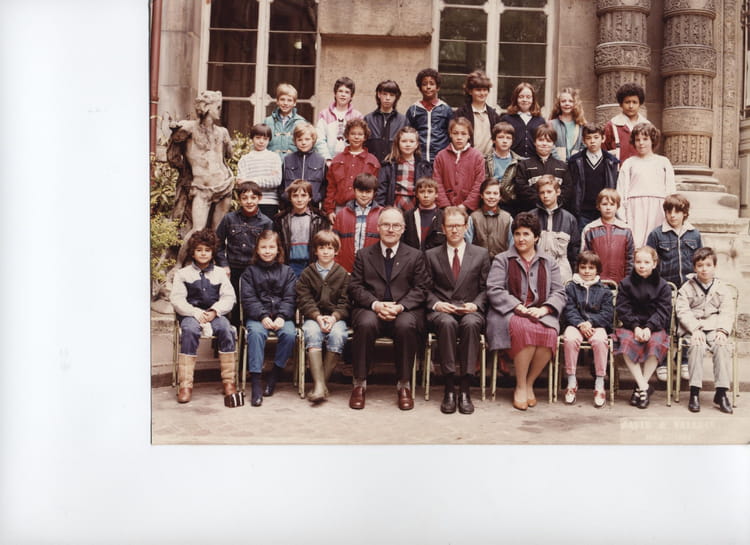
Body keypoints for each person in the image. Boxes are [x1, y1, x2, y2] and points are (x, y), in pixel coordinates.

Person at [347, 207, 431, 411]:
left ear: (403, 229)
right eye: (386, 225)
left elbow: (422, 288)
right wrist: (376, 305)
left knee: (406, 326)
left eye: (395, 225)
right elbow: (355, 287)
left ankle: (404, 385)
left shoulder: (415, 255)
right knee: (365, 323)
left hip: (403, 310)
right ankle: (359, 384)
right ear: (378, 227)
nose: (390, 229)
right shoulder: (364, 255)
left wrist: (400, 307)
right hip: (371, 308)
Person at [486, 212, 566, 411]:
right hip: (508, 312)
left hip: (540, 312)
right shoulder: (502, 259)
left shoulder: (549, 261)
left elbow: (559, 292)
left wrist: (545, 309)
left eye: (526, 234)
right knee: (525, 329)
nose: (521, 239)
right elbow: (494, 289)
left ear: (536, 237)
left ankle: (530, 383)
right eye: (517, 234)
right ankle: (520, 385)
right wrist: (516, 306)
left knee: (549, 332)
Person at [425, 207, 490, 414]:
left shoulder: (480, 254)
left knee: (471, 324)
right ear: (443, 228)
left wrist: (476, 305)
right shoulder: (431, 255)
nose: (454, 230)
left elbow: (487, 288)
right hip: (442, 310)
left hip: (470, 308)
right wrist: (437, 304)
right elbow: (424, 289)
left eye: (458, 226)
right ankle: (449, 387)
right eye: (450, 226)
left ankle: (465, 388)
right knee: (447, 323)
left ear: (466, 227)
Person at [170, 229, 237, 404]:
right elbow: (177, 299)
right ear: (192, 252)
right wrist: (195, 312)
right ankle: (186, 385)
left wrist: (215, 311)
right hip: (190, 315)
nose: (203, 253)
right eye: (199, 250)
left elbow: (229, 297)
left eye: (207, 250)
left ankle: (229, 381)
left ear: (213, 252)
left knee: (226, 329)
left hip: (214, 314)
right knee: (189, 331)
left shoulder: (220, 273)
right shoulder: (183, 274)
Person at [167, 90, 234, 265]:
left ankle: (213, 267)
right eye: (217, 107)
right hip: (201, 188)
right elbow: (173, 156)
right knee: (197, 230)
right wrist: (176, 132)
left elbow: (229, 155)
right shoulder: (189, 128)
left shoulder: (222, 132)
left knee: (217, 232)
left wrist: (227, 143)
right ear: (206, 107)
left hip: (224, 185)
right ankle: (178, 266)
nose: (220, 111)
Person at [646, 193, 703, 382]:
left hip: (688, 288)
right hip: (665, 288)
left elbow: (700, 260)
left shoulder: (694, 234)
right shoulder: (656, 234)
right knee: (664, 323)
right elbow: (650, 262)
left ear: (685, 213)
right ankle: (661, 361)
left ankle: (684, 359)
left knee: (686, 322)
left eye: (677, 211)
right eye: (669, 211)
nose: (672, 215)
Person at [240, 230, 297, 407]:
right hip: (258, 317)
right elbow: (248, 298)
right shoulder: (250, 272)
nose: (267, 251)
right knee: (256, 334)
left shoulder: (287, 272)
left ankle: (275, 374)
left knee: (289, 334)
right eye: (263, 247)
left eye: (271, 247)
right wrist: (262, 315)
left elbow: (290, 298)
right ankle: (256, 382)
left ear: (278, 249)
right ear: (257, 250)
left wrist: (282, 316)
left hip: (281, 317)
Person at [675, 247, 735, 414]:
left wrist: (722, 330)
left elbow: (727, 311)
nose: (704, 269)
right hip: (693, 328)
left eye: (708, 265)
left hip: (715, 327)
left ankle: (721, 393)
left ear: (714, 267)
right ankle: (694, 392)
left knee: (722, 345)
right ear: (694, 267)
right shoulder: (687, 287)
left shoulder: (722, 288)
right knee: (697, 345)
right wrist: (694, 329)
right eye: (700, 265)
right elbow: (682, 311)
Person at [296, 230, 351, 403]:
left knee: (338, 334)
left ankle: (320, 385)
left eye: (330, 248)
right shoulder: (307, 273)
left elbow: (346, 302)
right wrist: (317, 317)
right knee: (312, 333)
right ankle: (320, 386)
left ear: (336, 251)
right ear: (315, 250)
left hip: (336, 319)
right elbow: (304, 299)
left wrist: (334, 317)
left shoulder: (343, 274)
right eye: (322, 248)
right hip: (314, 318)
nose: (326, 252)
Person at [614, 246, 672, 409]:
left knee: (656, 343)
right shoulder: (625, 284)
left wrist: (648, 328)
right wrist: (635, 327)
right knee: (626, 343)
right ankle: (644, 387)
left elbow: (663, 311)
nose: (642, 266)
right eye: (638, 262)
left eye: (646, 262)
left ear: (654, 264)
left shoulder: (663, 286)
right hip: (631, 326)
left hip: (654, 326)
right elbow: (623, 308)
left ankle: (640, 388)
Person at [215, 181, 273, 326]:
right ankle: (231, 334)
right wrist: (224, 265)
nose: (249, 201)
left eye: (253, 197)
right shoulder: (229, 219)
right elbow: (217, 243)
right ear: (239, 199)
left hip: (255, 270)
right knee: (233, 304)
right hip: (233, 269)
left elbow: (269, 248)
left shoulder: (266, 222)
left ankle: (249, 334)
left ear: (259, 198)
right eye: (244, 198)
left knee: (252, 304)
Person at [561, 251, 614, 408]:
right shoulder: (571, 287)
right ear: (577, 268)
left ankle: (599, 382)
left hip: (596, 325)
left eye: (591, 268)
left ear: (597, 270)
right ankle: (571, 380)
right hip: (576, 324)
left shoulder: (604, 290)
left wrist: (590, 323)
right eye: (583, 267)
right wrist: (580, 324)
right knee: (570, 339)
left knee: (600, 341)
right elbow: (569, 309)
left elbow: (607, 314)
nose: (587, 271)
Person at [616, 122, 676, 248]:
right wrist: (623, 217)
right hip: (635, 209)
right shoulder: (629, 163)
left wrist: (669, 211)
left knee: (656, 244)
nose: (641, 143)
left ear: (652, 140)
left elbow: (671, 191)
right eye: (637, 140)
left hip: (658, 209)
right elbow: (621, 191)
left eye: (645, 139)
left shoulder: (663, 162)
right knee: (636, 244)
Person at [322, 118, 380, 222]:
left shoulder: (372, 162)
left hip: (364, 209)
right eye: (353, 133)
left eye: (360, 134)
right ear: (347, 135)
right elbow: (331, 187)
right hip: (340, 208)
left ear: (365, 137)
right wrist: (330, 210)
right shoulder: (337, 160)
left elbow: (376, 190)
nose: (356, 137)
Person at [568, 122, 620, 233]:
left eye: (596, 137)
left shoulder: (611, 161)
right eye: (588, 138)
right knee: (583, 239)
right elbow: (572, 186)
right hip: (583, 211)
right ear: (583, 140)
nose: (592, 141)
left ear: (603, 138)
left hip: (604, 210)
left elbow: (614, 185)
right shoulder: (575, 161)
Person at [273, 179, 331, 277]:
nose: (299, 199)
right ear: (290, 198)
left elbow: (324, 243)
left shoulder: (320, 219)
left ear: (310, 197)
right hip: (289, 264)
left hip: (312, 264)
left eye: (303, 195)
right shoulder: (281, 219)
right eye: (295, 196)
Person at [513, 125, 574, 214]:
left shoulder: (562, 166)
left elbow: (567, 189)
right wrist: (541, 201)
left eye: (548, 141)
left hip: (556, 212)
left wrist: (553, 203)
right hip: (531, 212)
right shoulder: (524, 165)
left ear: (553, 143)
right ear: (534, 142)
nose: (544, 144)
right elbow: (521, 188)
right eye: (541, 140)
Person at [532, 174, 580, 282]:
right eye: (542, 192)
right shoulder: (531, 217)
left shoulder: (569, 219)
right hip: (535, 271)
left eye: (549, 192)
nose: (545, 196)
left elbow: (574, 252)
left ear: (558, 192)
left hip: (561, 274)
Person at [332, 172, 383, 272]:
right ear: (354, 190)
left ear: (374, 193)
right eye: (360, 191)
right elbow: (334, 242)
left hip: (373, 267)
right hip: (346, 266)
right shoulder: (342, 214)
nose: (364, 195)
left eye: (368, 192)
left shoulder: (382, 214)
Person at [581, 188, 634, 283]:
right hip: (595, 282)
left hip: (620, 283)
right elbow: (584, 258)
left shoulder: (626, 230)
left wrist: (628, 281)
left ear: (617, 206)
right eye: (604, 204)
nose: (608, 208)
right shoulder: (590, 229)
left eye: (612, 204)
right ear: (598, 206)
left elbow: (630, 259)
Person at [433, 117, 485, 212]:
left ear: (469, 135)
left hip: (469, 210)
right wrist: (446, 205)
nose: (459, 137)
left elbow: (479, 183)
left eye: (463, 133)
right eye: (455, 133)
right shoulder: (441, 156)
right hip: (445, 209)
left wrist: (465, 205)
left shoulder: (477, 157)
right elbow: (437, 182)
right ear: (450, 134)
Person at [376, 126, 432, 210]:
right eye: (404, 141)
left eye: (411, 141)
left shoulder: (424, 166)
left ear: (417, 144)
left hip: (415, 207)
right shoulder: (389, 165)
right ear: (398, 143)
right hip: (394, 206)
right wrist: (381, 208)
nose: (408, 144)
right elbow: (381, 191)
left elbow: (428, 189)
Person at [264, 82, 325, 159]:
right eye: (282, 99)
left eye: (289, 100)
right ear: (277, 101)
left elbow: (312, 145)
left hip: (294, 164)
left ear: (294, 103)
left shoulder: (301, 122)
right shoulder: (268, 122)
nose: (285, 103)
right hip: (271, 163)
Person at [405, 68, 454, 163]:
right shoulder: (413, 109)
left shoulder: (445, 109)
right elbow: (408, 133)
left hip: (440, 159)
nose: (428, 87)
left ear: (437, 87)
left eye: (432, 84)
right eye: (424, 84)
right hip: (419, 158)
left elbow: (451, 134)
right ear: (420, 88)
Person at [236, 123, 283, 218]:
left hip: (270, 202)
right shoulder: (245, 159)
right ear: (252, 138)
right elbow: (241, 183)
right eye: (258, 138)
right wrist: (265, 179)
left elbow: (275, 181)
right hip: (250, 202)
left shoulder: (274, 158)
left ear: (269, 140)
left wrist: (250, 180)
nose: (261, 141)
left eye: (265, 139)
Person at [279, 122, 327, 210]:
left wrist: (317, 198)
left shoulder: (321, 161)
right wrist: (285, 197)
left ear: (313, 140)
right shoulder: (287, 160)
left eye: (307, 139)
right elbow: (281, 184)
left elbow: (325, 185)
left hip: (313, 207)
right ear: (295, 141)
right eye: (300, 140)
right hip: (290, 207)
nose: (303, 143)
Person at [454, 70, 502, 155]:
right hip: (468, 158)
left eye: (485, 90)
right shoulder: (461, 113)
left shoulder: (494, 115)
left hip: (489, 159)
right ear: (470, 91)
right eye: (478, 90)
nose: (482, 93)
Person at [316, 76, 363, 161]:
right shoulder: (324, 114)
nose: (343, 95)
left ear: (351, 96)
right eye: (340, 91)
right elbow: (320, 140)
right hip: (329, 160)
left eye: (347, 92)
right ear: (335, 93)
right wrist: (327, 159)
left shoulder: (357, 116)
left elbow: (359, 140)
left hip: (350, 160)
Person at [465, 177, 513, 260]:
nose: (491, 197)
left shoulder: (507, 218)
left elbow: (512, 245)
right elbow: (467, 244)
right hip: (478, 262)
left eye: (495, 193)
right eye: (488, 193)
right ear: (481, 195)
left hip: (502, 262)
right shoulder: (473, 218)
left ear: (500, 196)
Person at [363, 79, 409, 163]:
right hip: (372, 165)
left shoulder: (403, 121)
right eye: (384, 94)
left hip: (394, 165)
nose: (388, 98)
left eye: (392, 95)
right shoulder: (368, 119)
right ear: (379, 94)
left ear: (396, 97)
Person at [603, 82, 649, 164]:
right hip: (618, 170)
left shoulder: (647, 125)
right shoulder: (612, 126)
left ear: (640, 104)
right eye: (627, 102)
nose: (631, 106)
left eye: (634, 102)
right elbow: (603, 151)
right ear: (621, 104)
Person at [499, 82, 546, 159]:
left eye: (528, 97)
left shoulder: (540, 120)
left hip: (534, 160)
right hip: (512, 160)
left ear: (533, 99)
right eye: (521, 97)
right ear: (516, 99)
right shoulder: (506, 119)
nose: (525, 100)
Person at [484, 121, 521, 215]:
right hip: (489, 202)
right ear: (494, 140)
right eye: (500, 137)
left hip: (510, 204)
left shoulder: (519, 162)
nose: (505, 141)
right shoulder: (484, 160)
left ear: (512, 141)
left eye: (508, 138)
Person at [402, 176, 446, 252]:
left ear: (436, 194)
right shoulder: (407, 216)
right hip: (412, 257)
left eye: (430, 192)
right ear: (416, 194)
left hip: (436, 258)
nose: (426, 195)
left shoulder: (443, 216)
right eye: (422, 192)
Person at [548, 87, 586, 161]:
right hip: (556, 164)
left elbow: (584, 146)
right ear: (559, 104)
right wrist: (560, 163)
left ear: (575, 103)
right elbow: (550, 146)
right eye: (563, 101)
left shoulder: (581, 125)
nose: (567, 104)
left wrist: (575, 161)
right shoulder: (551, 124)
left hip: (576, 164)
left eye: (570, 101)